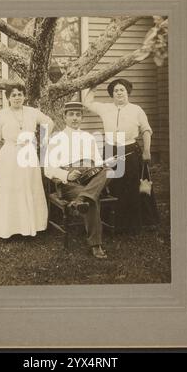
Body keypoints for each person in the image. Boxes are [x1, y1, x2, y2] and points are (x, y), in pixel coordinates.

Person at [83, 78, 155, 235]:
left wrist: (147, 150)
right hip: (110, 150)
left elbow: (146, 130)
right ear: (111, 94)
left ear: (127, 91)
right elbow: (87, 103)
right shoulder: (105, 108)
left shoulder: (136, 110)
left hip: (130, 150)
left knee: (130, 188)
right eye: (115, 90)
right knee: (111, 185)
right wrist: (93, 86)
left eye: (122, 89)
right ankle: (110, 224)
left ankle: (131, 226)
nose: (119, 93)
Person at [44, 101, 111, 259]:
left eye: (78, 115)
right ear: (64, 117)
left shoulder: (89, 137)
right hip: (70, 181)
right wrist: (66, 175)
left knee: (109, 171)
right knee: (91, 200)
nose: (75, 118)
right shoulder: (56, 139)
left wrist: (104, 165)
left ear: (82, 117)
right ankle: (96, 245)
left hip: (90, 177)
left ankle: (81, 199)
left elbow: (98, 162)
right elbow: (48, 169)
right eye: (71, 115)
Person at [0, 84, 54, 239]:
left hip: (29, 154)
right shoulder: (0, 115)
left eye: (20, 94)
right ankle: (9, 229)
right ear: (8, 98)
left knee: (30, 186)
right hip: (9, 155)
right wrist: (9, 149)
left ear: (24, 97)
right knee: (10, 189)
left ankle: (33, 226)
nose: (17, 97)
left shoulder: (32, 112)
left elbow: (49, 122)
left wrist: (42, 140)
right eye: (13, 95)